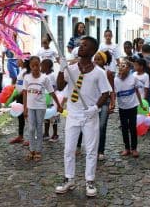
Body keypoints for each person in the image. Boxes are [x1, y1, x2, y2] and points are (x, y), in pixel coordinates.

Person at [55, 36, 110, 197]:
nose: (80, 47)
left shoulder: (99, 73)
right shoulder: (71, 70)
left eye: (85, 45)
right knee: (69, 149)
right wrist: (61, 69)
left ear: (92, 51)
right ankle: (69, 178)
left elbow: (105, 93)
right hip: (73, 114)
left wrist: (95, 107)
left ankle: (90, 180)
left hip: (89, 116)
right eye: (80, 45)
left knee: (91, 150)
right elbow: (59, 86)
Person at [23, 56, 63, 162]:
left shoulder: (44, 78)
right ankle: (31, 149)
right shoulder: (27, 78)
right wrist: (25, 107)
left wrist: (58, 105)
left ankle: (38, 150)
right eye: (33, 65)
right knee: (31, 128)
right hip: (30, 107)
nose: (35, 68)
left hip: (40, 106)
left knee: (39, 127)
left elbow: (51, 92)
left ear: (40, 65)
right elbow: (24, 93)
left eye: (37, 65)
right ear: (30, 66)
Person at [114, 59, 145, 157]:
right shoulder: (115, 79)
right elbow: (114, 93)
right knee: (124, 128)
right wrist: (112, 103)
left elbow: (137, 91)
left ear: (128, 69)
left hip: (132, 107)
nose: (121, 67)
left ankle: (134, 148)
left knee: (132, 128)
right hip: (122, 107)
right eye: (120, 65)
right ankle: (126, 148)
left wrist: (141, 104)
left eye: (124, 66)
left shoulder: (133, 79)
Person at [93, 51, 116, 161]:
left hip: (105, 102)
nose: (96, 61)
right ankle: (92, 149)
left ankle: (100, 150)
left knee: (102, 126)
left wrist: (113, 102)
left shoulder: (108, 73)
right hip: (93, 102)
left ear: (104, 61)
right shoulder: (91, 72)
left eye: (99, 59)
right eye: (95, 59)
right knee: (93, 127)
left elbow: (112, 89)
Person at [9, 55, 31, 145]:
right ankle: (20, 136)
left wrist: (19, 94)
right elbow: (19, 84)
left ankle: (32, 138)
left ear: (23, 61)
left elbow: (27, 86)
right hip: (19, 96)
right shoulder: (22, 70)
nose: (16, 61)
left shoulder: (26, 72)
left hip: (24, 96)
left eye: (18, 59)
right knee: (20, 116)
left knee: (28, 117)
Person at [41, 59, 60, 142]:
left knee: (54, 117)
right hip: (45, 99)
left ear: (47, 67)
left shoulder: (53, 75)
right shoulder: (44, 76)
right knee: (46, 116)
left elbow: (57, 86)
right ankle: (46, 133)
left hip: (52, 100)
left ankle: (55, 134)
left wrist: (51, 90)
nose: (41, 67)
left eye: (42, 66)